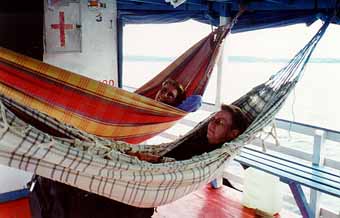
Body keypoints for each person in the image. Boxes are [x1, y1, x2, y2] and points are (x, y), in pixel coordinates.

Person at [129, 104, 249, 162]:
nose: (211, 124)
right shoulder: (201, 137)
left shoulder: (214, 155)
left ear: (233, 134)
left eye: (220, 122)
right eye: (213, 119)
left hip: (156, 166)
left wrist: (149, 158)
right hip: (159, 154)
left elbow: (181, 166)